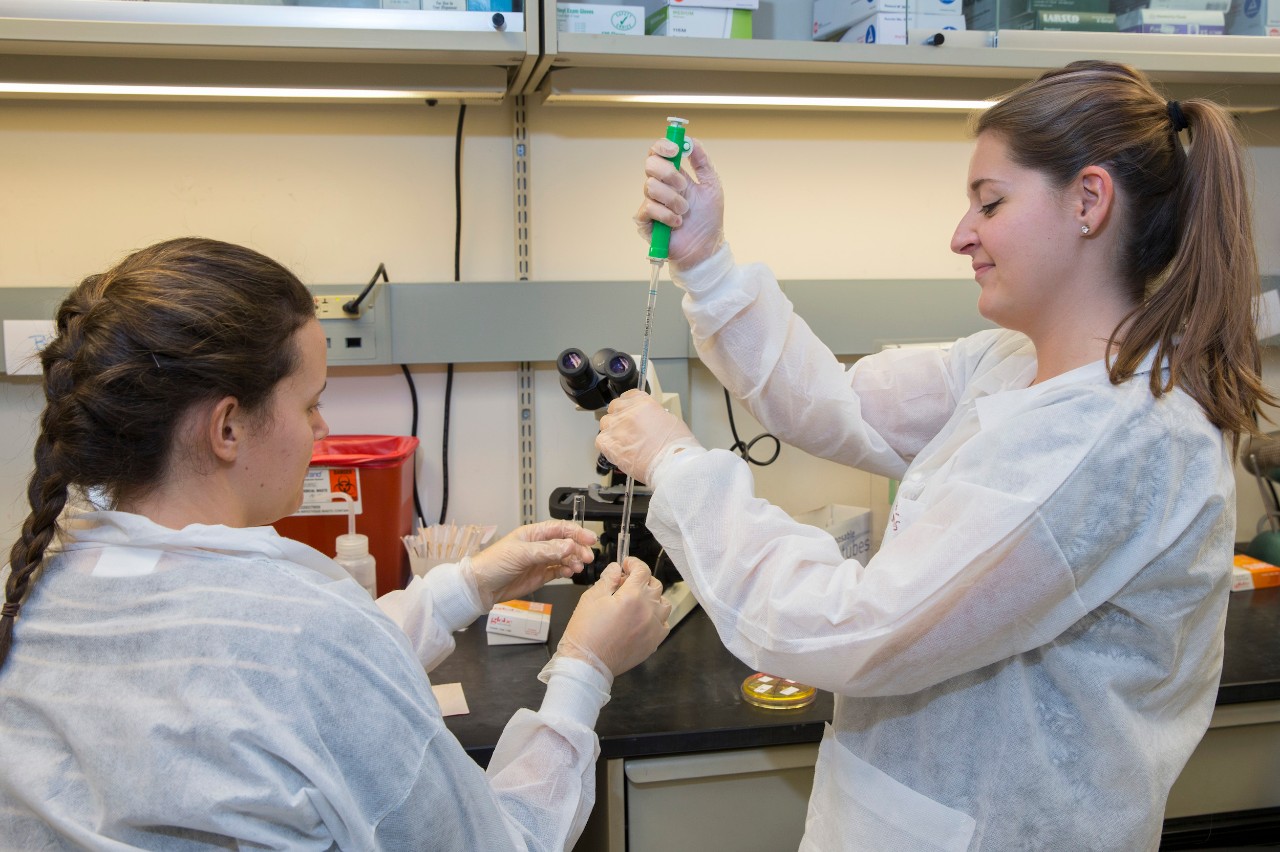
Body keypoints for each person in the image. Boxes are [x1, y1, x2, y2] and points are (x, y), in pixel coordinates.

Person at [597, 60, 1273, 850]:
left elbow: (855, 627)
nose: (961, 235)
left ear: (1089, 201)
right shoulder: (1012, 363)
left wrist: (678, 464)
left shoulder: (1117, 438)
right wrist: (708, 260)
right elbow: (838, 405)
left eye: (990, 202)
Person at [0, 237, 671, 849]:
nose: (322, 429)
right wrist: (585, 666)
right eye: (310, 402)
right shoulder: (308, 637)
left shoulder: (54, 585)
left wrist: (471, 582)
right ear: (227, 427)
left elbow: (283, 677)